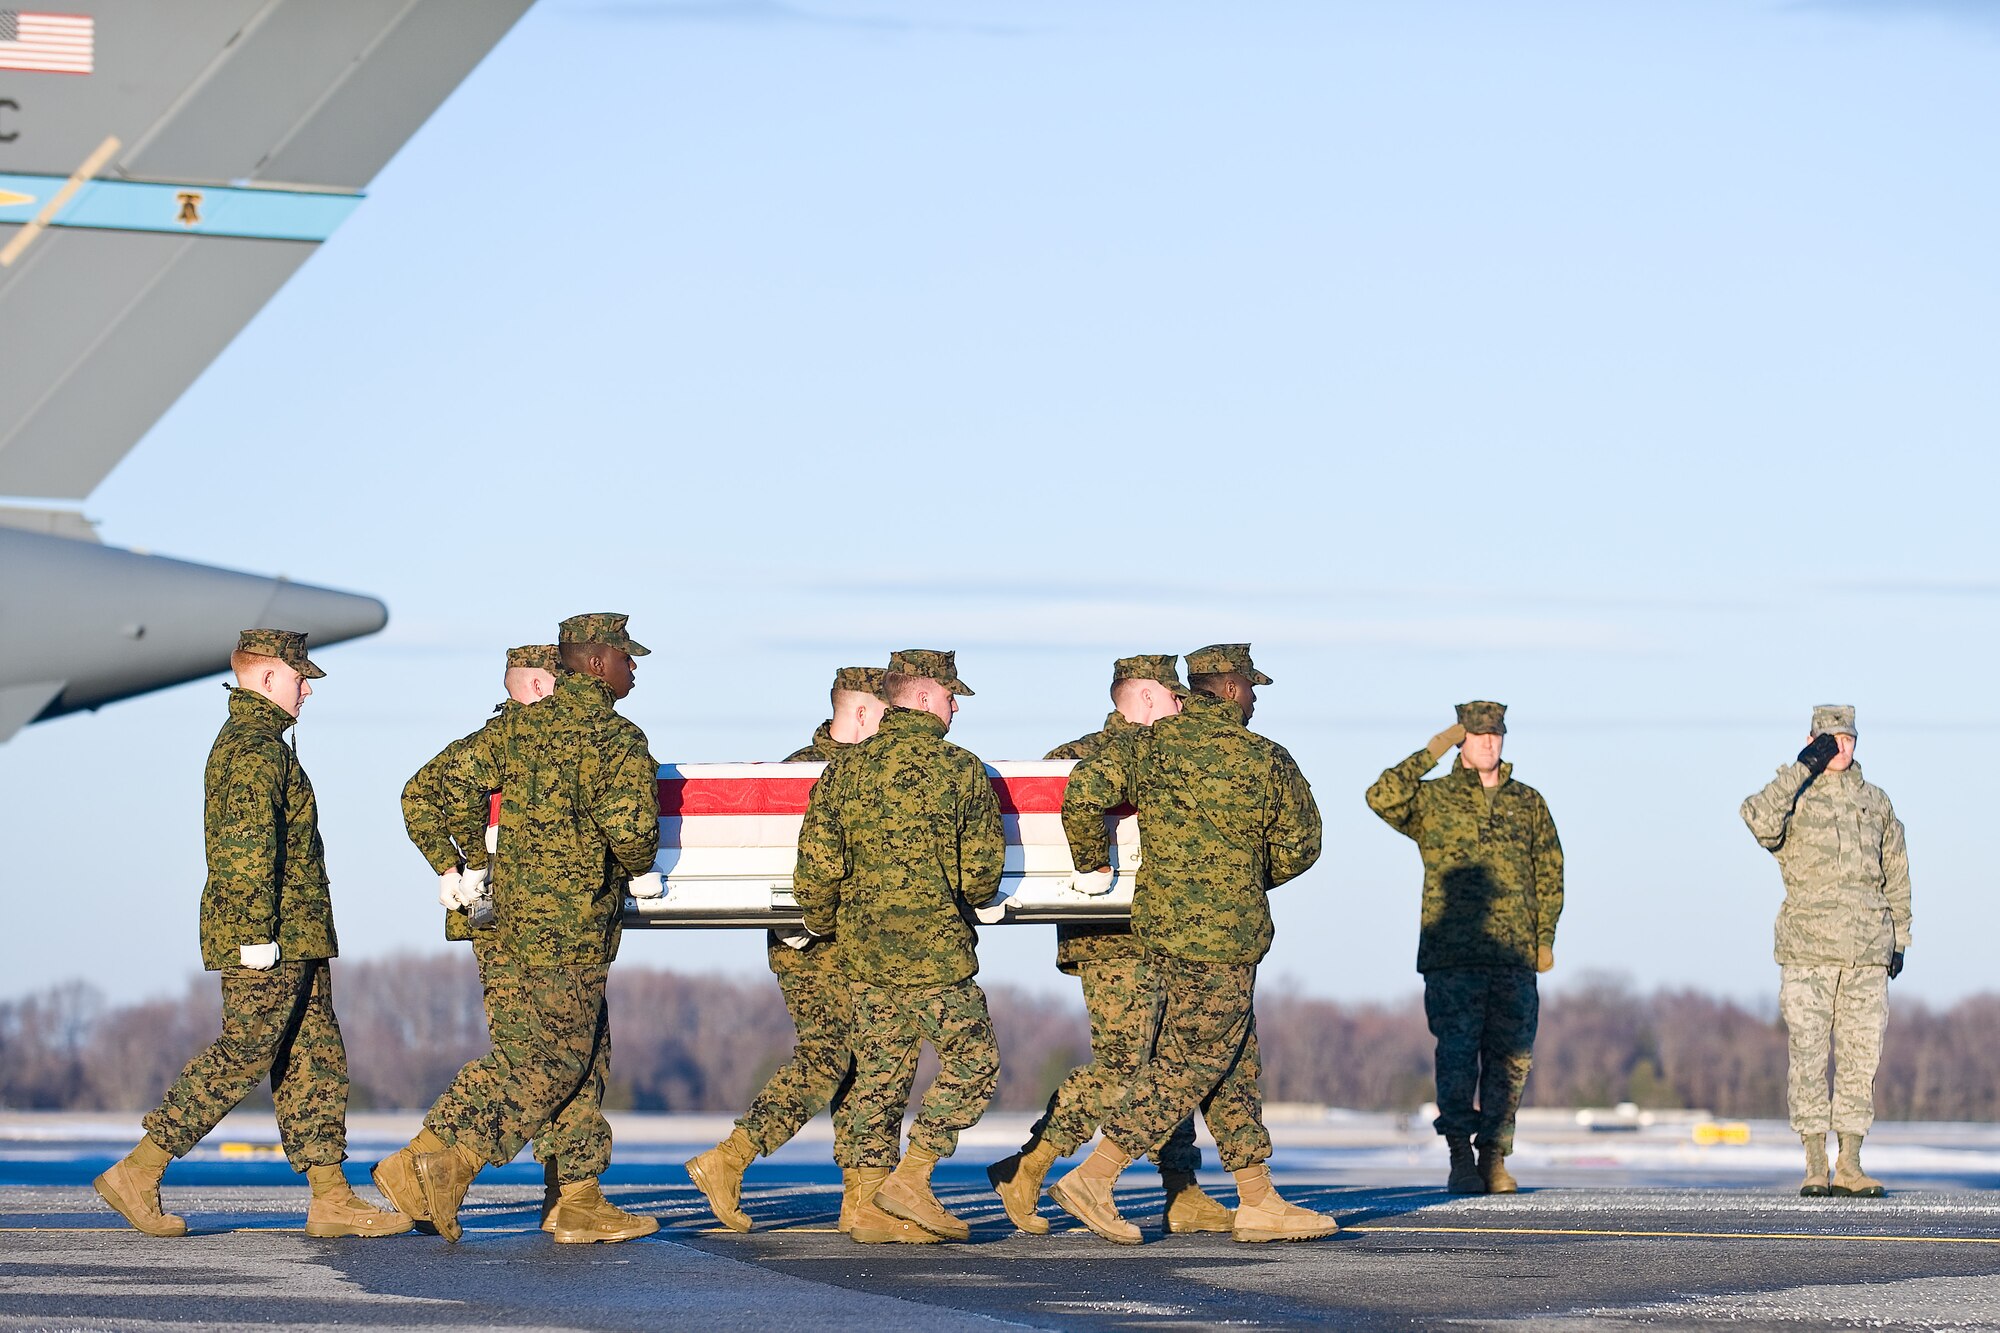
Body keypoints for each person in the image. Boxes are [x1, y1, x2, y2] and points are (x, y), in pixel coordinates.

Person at [93, 630, 410, 1239]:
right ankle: (140, 1167)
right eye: (300, 677)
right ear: (268, 679)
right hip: (269, 938)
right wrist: (253, 936)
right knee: (246, 1051)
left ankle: (331, 1197)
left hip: (298, 935)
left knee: (313, 1057)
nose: (308, 689)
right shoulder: (251, 750)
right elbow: (244, 854)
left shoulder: (267, 746)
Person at [373, 614, 661, 1244]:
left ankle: (577, 1198)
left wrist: (460, 862)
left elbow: (425, 788)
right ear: (594, 664)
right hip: (570, 925)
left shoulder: (515, 731)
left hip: (507, 922)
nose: (634, 668)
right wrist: (642, 868)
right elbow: (634, 828)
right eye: (625, 658)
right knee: (552, 1057)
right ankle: (437, 1155)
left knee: (581, 1049)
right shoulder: (616, 738)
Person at [1048, 644, 1334, 1244]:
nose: (1254, 699)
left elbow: (1081, 792)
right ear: (1230, 689)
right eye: (1251, 688)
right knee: (1196, 1060)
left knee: (1230, 1060)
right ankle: (1095, 1177)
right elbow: (1303, 845)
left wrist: (1091, 866)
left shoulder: (1148, 747)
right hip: (1225, 936)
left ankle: (1257, 1197)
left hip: (1161, 934)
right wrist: (1247, 876)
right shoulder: (1265, 759)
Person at [988, 654, 1233, 1236]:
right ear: (1146, 698)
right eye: (1175, 697)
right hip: (1111, 937)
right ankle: (1030, 1167)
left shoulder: (1176, 756)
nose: (1184, 706)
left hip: (1172, 931)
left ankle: (1182, 1187)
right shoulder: (1078, 757)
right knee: (1126, 1066)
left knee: (1173, 1062)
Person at [792, 649, 1004, 1244]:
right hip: (937, 958)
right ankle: (912, 1175)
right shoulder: (961, 770)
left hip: (862, 957)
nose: (955, 704)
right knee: (973, 1062)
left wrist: (832, 924)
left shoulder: (846, 770)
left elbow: (815, 870)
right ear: (920, 696)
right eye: (949, 694)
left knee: (878, 1080)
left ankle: (864, 1208)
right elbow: (981, 876)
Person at [685, 666, 903, 1236]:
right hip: (812, 940)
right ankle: (731, 1157)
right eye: (887, 713)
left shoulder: (887, 769)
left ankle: (866, 1199)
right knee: (830, 1053)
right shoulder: (796, 777)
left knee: (874, 1062)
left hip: (867, 940)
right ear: (860, 713)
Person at [1365, 701, 1562, 1195]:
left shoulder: (1528, 802)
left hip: (1514, 955)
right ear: (1462, 742)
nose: (1489, 742)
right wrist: (1432, 750)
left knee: (1511, 1058)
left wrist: (1544, 940)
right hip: (1452, 954)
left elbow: (1551, 871)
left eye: (1495, 734)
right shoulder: (1434, 799)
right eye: (1476, 736)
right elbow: (1380, 795)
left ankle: (1494, 1154)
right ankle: (1459, 1155)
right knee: (1456, 1056)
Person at [1741, 705, 1912, 1198]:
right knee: (1809, 1056)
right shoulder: (1794, 797)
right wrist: (1801, 767)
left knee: (1861, 1060)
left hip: (1866, 952)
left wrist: (1899, 938)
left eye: (1848, 739)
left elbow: (1896, 872)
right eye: (1829, 740)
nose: (1841, 748)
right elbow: (1756, 819)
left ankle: (1850, 1164)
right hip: (1808, 952)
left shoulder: (1876, 803)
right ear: (1813, 741)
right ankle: (1815, 1163)